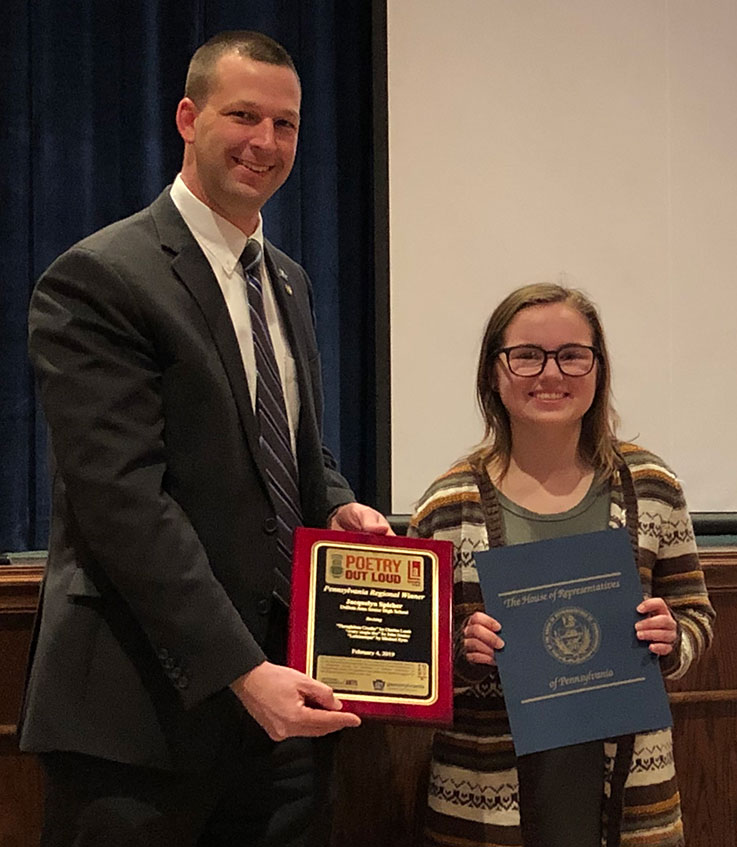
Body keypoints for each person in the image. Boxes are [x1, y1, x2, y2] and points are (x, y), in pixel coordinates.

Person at [20, 30, 391, 847]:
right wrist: (239, 670)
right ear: (188, 117)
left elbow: (290, 449)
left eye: (285, 124)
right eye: (243, 115)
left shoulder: (287, 278)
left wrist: (339, 503)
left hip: (284, 702)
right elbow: (123, 502)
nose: (264, 142)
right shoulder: (102, 276)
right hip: (140, 719)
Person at [408, 282, 715, 847]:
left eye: (573, 355)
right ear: (493, 373)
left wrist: (672, 640)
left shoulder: (651, 487)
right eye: (526, 355)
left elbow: (696, 615)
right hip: (486, 796)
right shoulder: (447, 505)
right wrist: (461, 652)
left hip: (631, 795)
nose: (551, 374)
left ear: (598, 370)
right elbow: (415, 661)